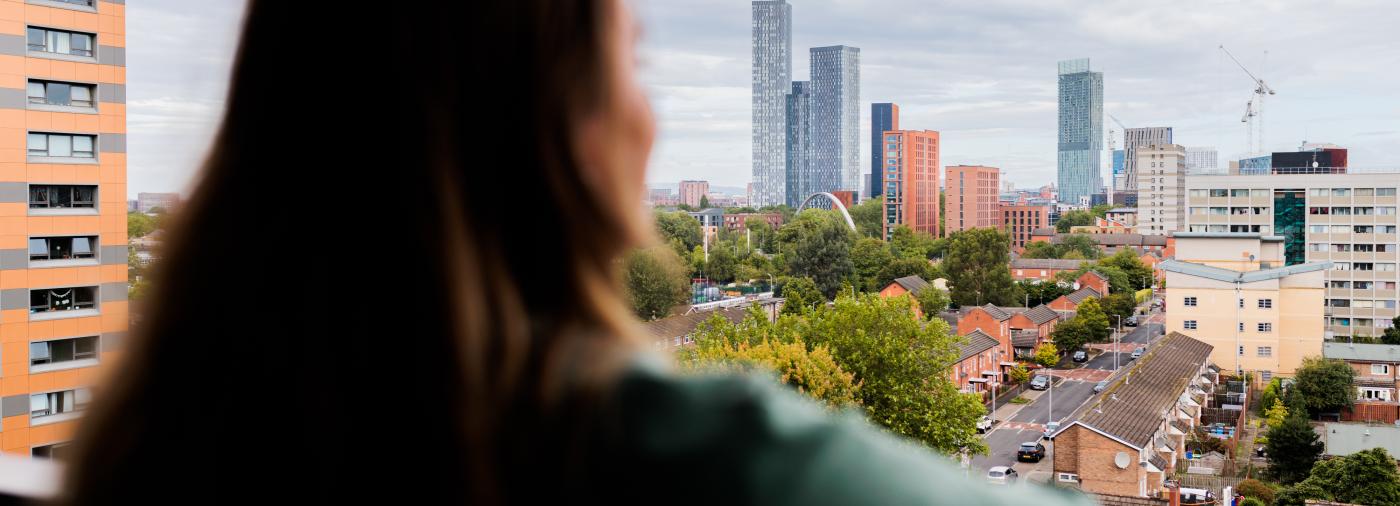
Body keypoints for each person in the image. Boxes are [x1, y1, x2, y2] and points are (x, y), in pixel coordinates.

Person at [60, 1, 1091, 504]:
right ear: (553, 125)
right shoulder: (676, 446)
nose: (648, 119)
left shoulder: (171, 429)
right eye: (629, 64)